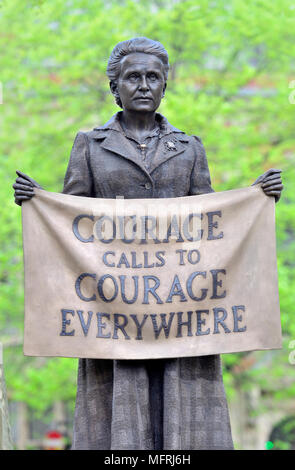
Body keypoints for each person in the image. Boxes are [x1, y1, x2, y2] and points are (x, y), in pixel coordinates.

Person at [13, 37, 284, 450]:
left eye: (153, 77)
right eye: (133, 77)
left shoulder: (190, 147)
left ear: (164, 86)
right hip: (114, 316)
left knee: (184, 418)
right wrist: (40, 203)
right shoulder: (90, 145)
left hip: (183, 314)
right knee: (122, 419)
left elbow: (212, 224)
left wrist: (253, 198)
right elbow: (71, 221)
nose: (143, 85)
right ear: (114, 87)